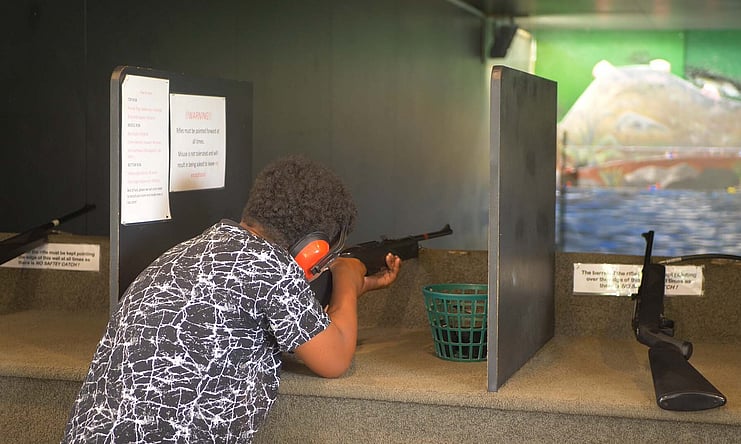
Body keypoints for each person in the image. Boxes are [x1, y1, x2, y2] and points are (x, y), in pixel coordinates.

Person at [62, 155, 401, 443]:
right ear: (313, 248)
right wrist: (346, 277)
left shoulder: (180, 253)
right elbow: (335, 358)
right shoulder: (273, 267)